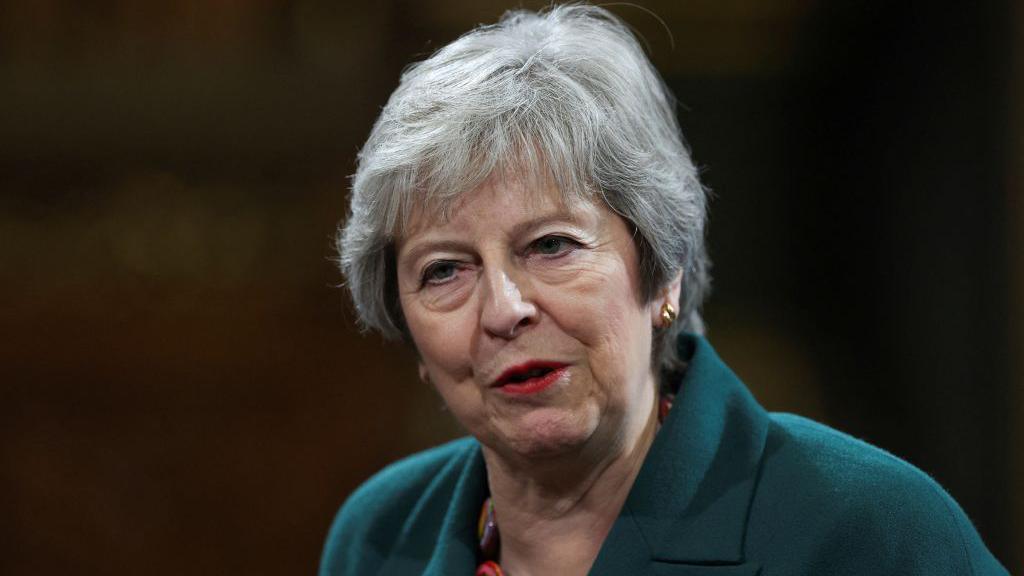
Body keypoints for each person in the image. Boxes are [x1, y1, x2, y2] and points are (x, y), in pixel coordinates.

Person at [320, 5, 1008, 575]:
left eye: (551, 246)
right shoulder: (379, 540)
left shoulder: (869, 532)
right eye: (444, 270)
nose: (503, 310)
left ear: (663, 271)